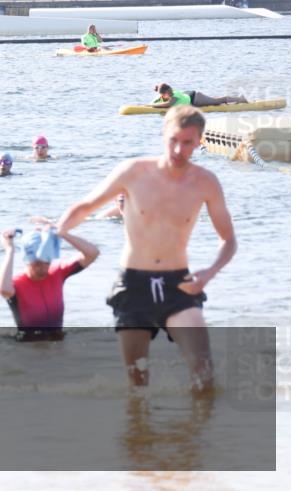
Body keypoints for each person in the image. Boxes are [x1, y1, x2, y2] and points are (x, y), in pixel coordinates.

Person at [56, 106, 237, 391]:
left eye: (188, 142)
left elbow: (228, 239)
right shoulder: (133, 172)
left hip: (180, 285)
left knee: (204, 374)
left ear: (200, 141)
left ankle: (195, 435)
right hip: (134, 285)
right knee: (138, 384)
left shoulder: (206, 182)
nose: (178, 149)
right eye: (173, 140)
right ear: (163, 134)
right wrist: (59, 229)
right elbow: (86, 206)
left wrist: (209, 273)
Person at [0, 225, 99, 339]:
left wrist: (62, 233)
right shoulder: (17, 284)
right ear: (27, 259)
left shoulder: (58, 273)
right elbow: (3, 289)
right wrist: (10, 251)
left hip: (58, 342)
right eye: (37, 262)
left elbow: (92, 253)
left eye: (47, 260)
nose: (44, 266)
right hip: (29, 345)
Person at [150, 83, 247, 109]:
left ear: (167, 91)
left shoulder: (174, 96)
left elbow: (168, 104)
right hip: (189, 96)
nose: (164, 97)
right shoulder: (168, 93)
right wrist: (150, 104)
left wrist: (151, 106)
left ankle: (241, 99)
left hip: (195, 98)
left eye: (164, 94)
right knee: (215, 99)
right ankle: (239, 98)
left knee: (219, 101)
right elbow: (158, 100)